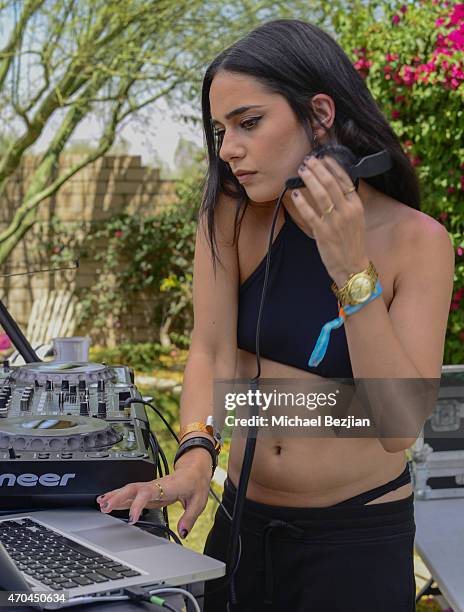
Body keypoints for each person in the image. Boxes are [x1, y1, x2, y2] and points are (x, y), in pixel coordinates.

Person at [96, 19, 454, 612]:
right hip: (242, 527)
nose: (227, 149)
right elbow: (210, 352)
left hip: (354, 544)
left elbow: (396, 427)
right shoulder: (229, 217)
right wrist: (194, 454)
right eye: (219, 129)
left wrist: (350, 269)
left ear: (319, 115)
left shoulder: (419, 242)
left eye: (249, 122)